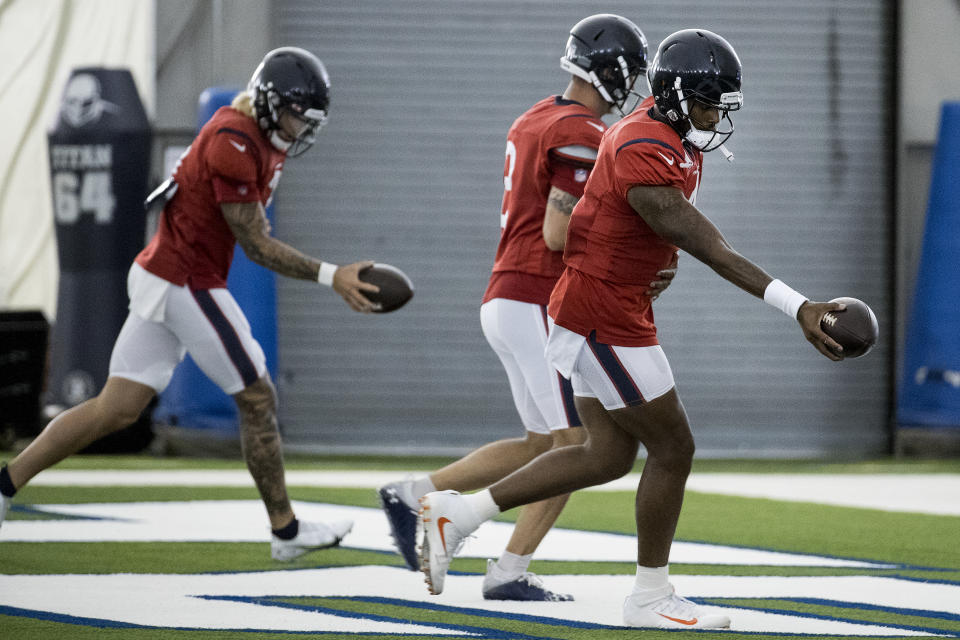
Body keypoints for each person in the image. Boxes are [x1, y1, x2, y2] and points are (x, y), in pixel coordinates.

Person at [415, 29, 847, 628]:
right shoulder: (642, 141)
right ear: (674, 95)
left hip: (606, 307)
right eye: (707, 101)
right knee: (674, 447)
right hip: (603, 314)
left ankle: (454, 516)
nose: (714, 115)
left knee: (609, 454)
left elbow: (645, 231)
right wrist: (798, 305)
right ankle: (649, 596)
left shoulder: (664, 131)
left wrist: (654, 261)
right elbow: (707, 245)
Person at [0, 47, 380, 562]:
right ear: (269, 104)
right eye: (294, 115)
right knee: (258, 397)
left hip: (166, 272)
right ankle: (286, 532)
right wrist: (333, 276)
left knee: (114, 410)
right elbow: (256, 244)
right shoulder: (234, 141)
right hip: (186, 280)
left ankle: (4, 484)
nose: (299, 129)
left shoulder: (257, 134)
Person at [377, 14, 676, 602]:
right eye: (631, 72)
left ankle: (415, 492)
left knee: (542, 443)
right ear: (610, 69)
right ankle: (506, 568)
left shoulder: (536, 115)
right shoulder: (582, 132)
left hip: (508, 295)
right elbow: (560, 232)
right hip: (539, 297)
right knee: (577, 449)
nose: (635, 84)